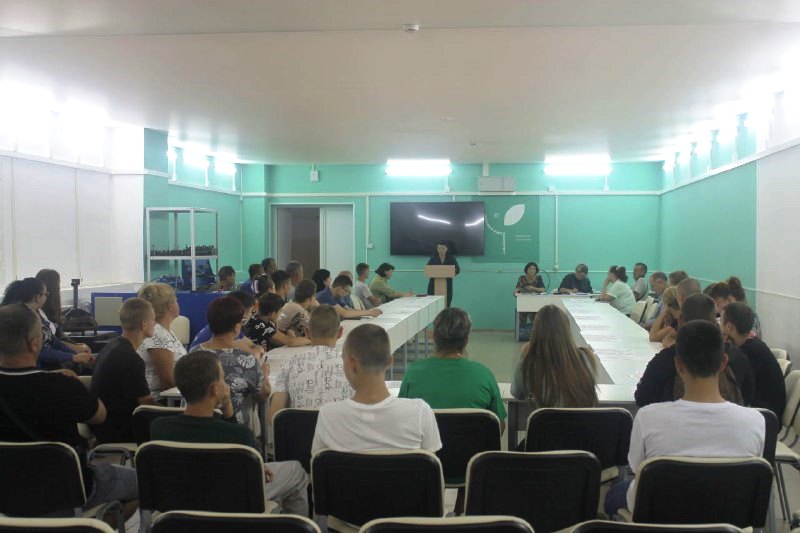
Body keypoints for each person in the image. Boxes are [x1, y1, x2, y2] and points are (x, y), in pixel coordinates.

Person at [605, 320, 765, 517]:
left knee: (615, 494)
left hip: (661, 513)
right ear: (724, 362)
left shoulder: (648, 418)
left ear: (678, 364)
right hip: (726, 517)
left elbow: (638, 468)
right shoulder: (755, 421)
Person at [0, 304, 139, 521]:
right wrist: (73, 384)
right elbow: (100, 415)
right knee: (147, 480)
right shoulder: (61, 385)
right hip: (67, 490)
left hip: (7, 496)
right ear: (34, 343)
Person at [150, 351, 308, 515]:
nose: (226, 384)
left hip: (178, 505)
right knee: (296, 470)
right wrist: (228, 408)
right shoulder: (239, 435)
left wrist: (227, 407)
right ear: (215, 389)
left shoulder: (159, 427)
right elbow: (257, 472)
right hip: (230, 503)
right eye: (223, 379)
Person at [311, 324, 442, 454]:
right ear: (389, 361)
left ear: (352, 363)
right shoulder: (420, 412)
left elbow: (318, 464)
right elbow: (432, 464)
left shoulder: (328, 416)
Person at [635, 294, 755, 408]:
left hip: (673, 422)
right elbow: (748, 398)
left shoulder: (666, 360)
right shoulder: (738, 358)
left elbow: (642, 398)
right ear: (715, 321)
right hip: (729, 422)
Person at [399, 308, 507, 430]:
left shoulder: (413, 373)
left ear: (434, 337)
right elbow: (499, 425)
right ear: (466, 340)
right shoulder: (484, 374)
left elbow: (402, 417)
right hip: (472, 443)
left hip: (424, 443)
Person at [192, 297, 270, 426]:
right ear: (236, 327)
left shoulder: (194, 353)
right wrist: (264, 374)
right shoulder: (245, 359)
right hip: (234, 428)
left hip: (196, 426)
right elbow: (263, 394)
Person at [90, 298, 157, 443]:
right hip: (120, 430)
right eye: (153, 319)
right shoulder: (130, 358)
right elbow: (146, 403)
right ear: (143, 324)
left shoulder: (111, 346)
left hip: (103, 426)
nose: (155, 323)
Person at [269, 305, 352, 421]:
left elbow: (274, 416)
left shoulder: (291, 364)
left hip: (300, 432)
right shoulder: (353, 367)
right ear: (340, 332)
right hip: (339, 431)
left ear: (306, 332)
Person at [510, 305, 599, 407]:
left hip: (545, 417)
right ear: (567, 330)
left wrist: (524, 356)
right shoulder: (585, 357)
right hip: (581, 417)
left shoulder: (528, 362)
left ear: (535, 330)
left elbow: (517, 393)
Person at [1, 278, 93, 369]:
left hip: (51, 363)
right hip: (36, 368)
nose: (46, 297)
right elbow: (40, 351)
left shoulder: (36, 313)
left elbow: (53, 341)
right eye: (46, 294)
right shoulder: (21, 318)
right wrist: (73, 357)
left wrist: (77, 354)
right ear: (38, 297)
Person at [722, 302, 785, 419]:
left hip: (765, 417)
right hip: (764, 412)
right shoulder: (753, 345)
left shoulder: (747, 353)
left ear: (729, 326)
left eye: (721, 321)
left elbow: (737, 392)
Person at [137, 282, 187, 399]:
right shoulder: (158, 335)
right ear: (170, 305)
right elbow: (168, 383)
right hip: (161, 401)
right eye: (176, 300)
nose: (177, 303)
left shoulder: (163, 331)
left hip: (172, 397)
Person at [35, 268, 92, 355]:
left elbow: (57, 338)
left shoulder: (50, 312)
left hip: (64, 351)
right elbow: (51, 344)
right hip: (58, 356)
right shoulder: (36, 316)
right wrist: (74, 352)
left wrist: (76, 346)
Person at [189, 291, 261, 352]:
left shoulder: (227, 325)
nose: (251, 315)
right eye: (251, 311)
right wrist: (257, 351)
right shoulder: (227, 330)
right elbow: (253, 355)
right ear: (242, 312)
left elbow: (252, 345)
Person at [243, 293, 311, 351]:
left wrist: (287, 334)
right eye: (280, 310)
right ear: (273, 313)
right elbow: (290, 342)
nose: (280, 313)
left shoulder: (256, 319)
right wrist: (311, 340)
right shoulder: (263, 326)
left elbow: (277, 339)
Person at [316, 275, 382, 319]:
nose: (347, 293)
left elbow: (349, 309)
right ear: (339, 287)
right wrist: (369, 313)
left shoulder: (336, 294)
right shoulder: (325, 295)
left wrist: (369, 311)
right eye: (346, 290)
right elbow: (344, 313)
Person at [426, 241, 460, 307]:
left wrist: (452, 272)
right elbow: (428, 269)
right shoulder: (433, 258)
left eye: (443, 248)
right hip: (433, 285)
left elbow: (457, 270)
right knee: (433, 305)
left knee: (446, 304)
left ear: (446, 249)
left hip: (447, 285)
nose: (441, 250)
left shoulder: (451, 258)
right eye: (439, 248)